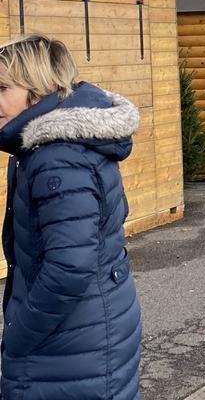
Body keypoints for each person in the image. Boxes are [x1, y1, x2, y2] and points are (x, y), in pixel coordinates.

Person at [0, 34, 142, 399]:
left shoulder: (55, 157)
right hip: (90, 331)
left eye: (2, 88)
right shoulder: (46, 147)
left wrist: (19, 334)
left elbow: (69, 267)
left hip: (68, 345)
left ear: (38, 90)